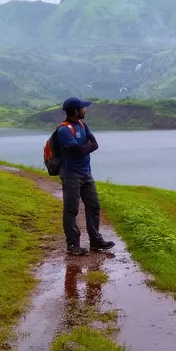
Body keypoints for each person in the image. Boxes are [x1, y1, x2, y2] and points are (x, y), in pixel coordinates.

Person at [56, 96, 115, 256]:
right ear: (76, 111)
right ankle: (73, 244)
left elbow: (95, 144)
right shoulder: (64, 130)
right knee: (71, 210)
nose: (85, 110)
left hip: (86, 174)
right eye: (83, 108)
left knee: (94, 205)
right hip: (71, 175)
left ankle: (95, 241)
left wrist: (84, 147)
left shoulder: (82, 124)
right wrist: (85, 146)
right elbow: (79, 150)